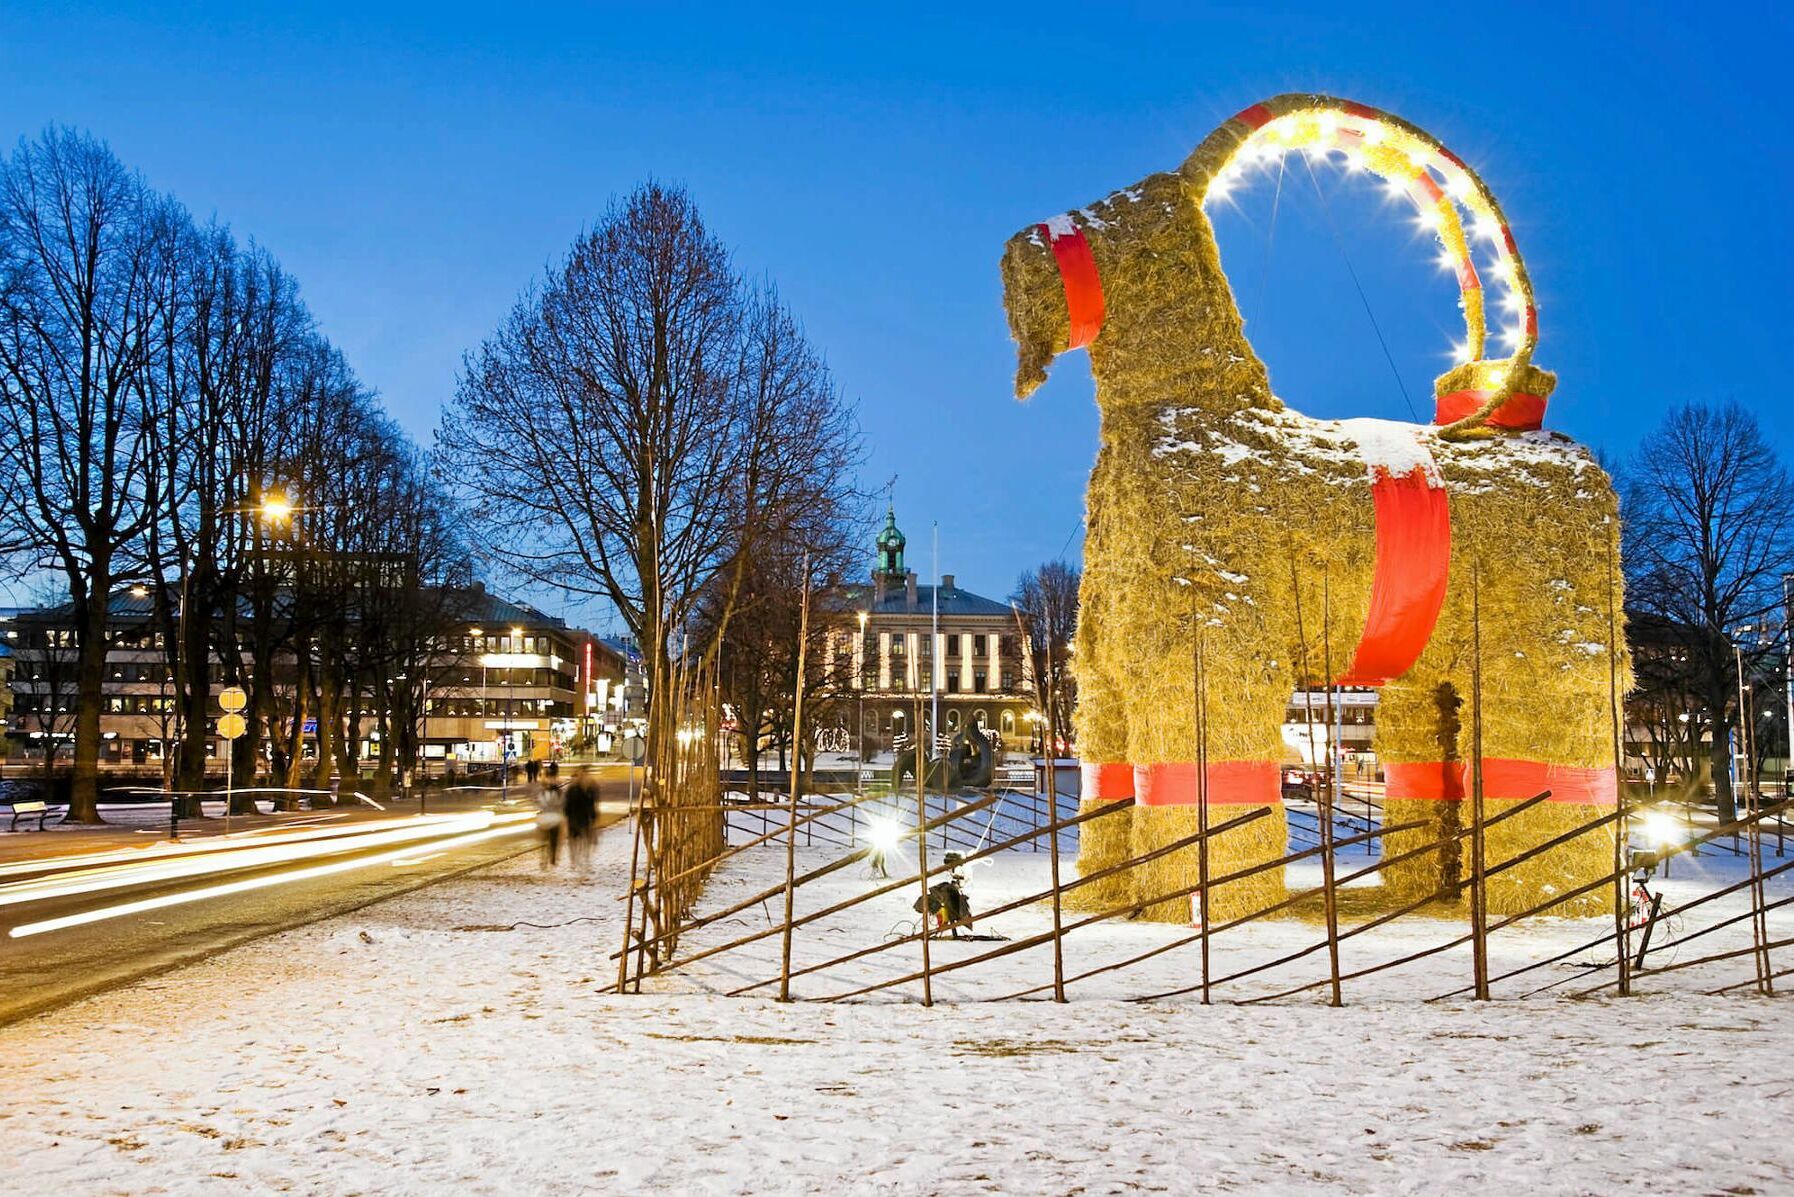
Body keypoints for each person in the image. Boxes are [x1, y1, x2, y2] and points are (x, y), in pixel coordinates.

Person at [563, 778, 598, 871]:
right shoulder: (584, 791)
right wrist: (592, 817)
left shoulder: (571, 791)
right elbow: (590, 806)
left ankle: (575, 860)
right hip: (581, 820)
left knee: (576, 842)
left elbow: (566, 807)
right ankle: (579, 860)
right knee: (581, 841)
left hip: (575, 820)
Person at [536, 783, 564, 869]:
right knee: (550, 841)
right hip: (550, 820)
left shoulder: (544, 794)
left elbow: (540, 805)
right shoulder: (557, 795)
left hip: (549, 820)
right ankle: (549, 859)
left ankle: (548, 859)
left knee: (548, 841)